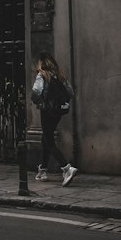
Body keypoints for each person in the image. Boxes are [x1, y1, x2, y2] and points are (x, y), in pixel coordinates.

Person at [31, 52, 77, 186]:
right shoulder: (60, 75)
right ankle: (42, 170)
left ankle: (66, 168)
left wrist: (36, 101)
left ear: (41, 63)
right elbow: (71, 93)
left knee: (49, 140)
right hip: (58, 112)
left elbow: (36, 92)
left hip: (46, 110)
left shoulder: (42, 75)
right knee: (46, 137)